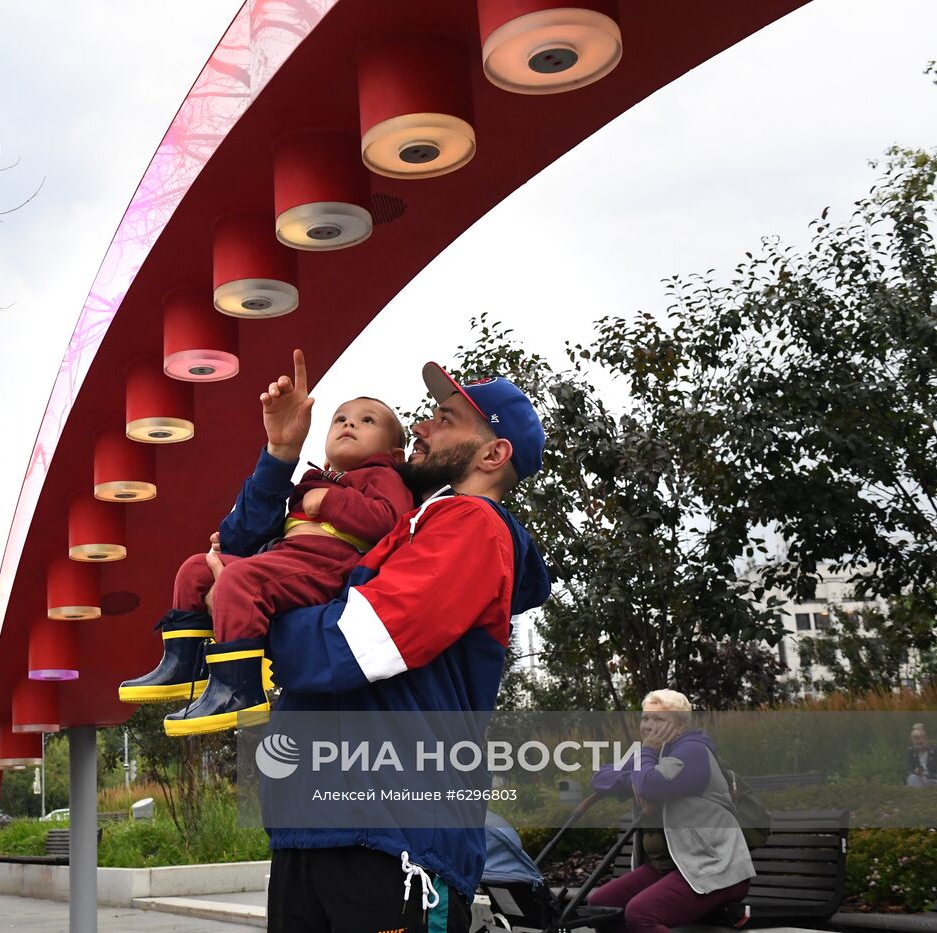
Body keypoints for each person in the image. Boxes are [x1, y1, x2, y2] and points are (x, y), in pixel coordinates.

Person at [209, 350, 551, 933]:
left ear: (493, 455)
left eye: (445, 419)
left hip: (394, 840)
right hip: (314, 827)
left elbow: (356, 643)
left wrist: (248, 625)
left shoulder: (471, 524)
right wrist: (280, 456)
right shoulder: (399, 528)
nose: (421, 425)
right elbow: (246, 555)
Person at [119, 395, 413, 736]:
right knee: (196, 569)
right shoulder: (314, 479)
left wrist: (331, 500)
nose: (349, 423)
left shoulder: (385, 477)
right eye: (340, 418)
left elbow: (390, 522)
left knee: (241, 580)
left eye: (367, 420)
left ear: (395, 456)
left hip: (330, 563)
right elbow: (253, 535)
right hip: (290, 557)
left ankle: (239, 690)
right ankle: (185, 664)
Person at [587, 689, 754, 933]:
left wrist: (645, 765)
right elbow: (599, 777)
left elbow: (651, 785)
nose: (648, 725)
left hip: (713, 869)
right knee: (602, 904)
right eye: (645, 718)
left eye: (658, 719)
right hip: (670, 867)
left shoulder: (694, 752)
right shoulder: (652, 754)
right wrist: (635, 780)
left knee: (641, 914)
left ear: (680, 726)